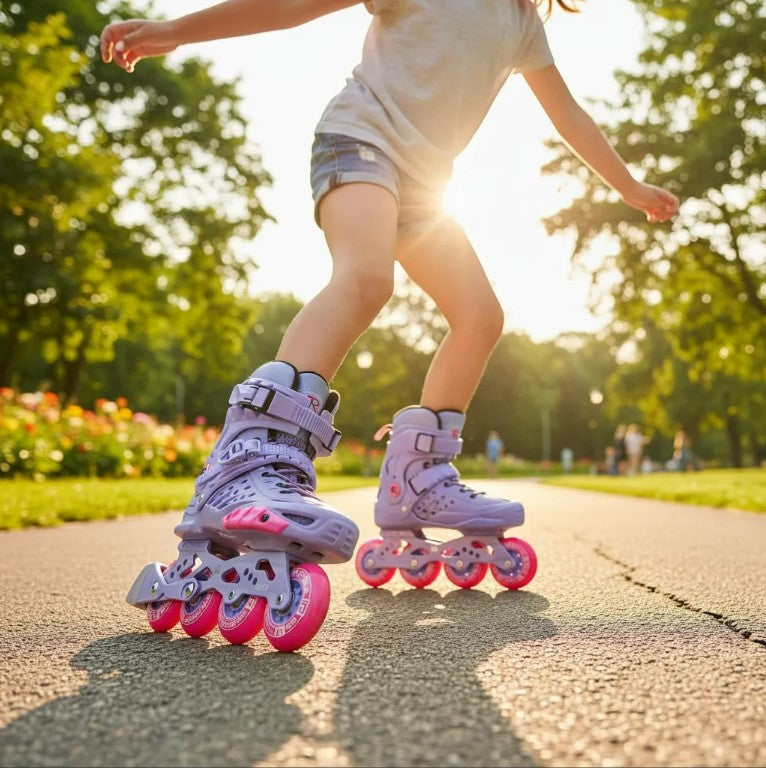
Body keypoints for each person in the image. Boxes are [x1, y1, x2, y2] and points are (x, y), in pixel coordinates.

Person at [102, 0, 680, 610]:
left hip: (426, 189)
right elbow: (292, 6)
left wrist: (630, 187)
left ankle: (419, 482)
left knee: (481, 316)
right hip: (358, 143)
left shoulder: (520, 21)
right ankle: (246, 462)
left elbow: (567, 113)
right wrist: (174, 31)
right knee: (367, 278)